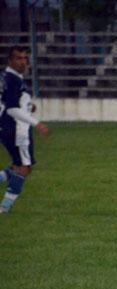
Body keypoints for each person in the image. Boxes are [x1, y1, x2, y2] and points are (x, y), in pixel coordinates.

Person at [0, 45, 50, 213]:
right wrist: (37, 123)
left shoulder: (9, 77)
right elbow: (12, 109)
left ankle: (4, 207)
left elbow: (10, 102)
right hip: (16, 129)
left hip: (10, 127)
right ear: (10, 60)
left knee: (18, 166)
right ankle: (4, 208)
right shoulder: (12, 79)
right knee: (23, 168)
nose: (23, 62)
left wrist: (28, 106)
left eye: (25, 58)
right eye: (18, 58)